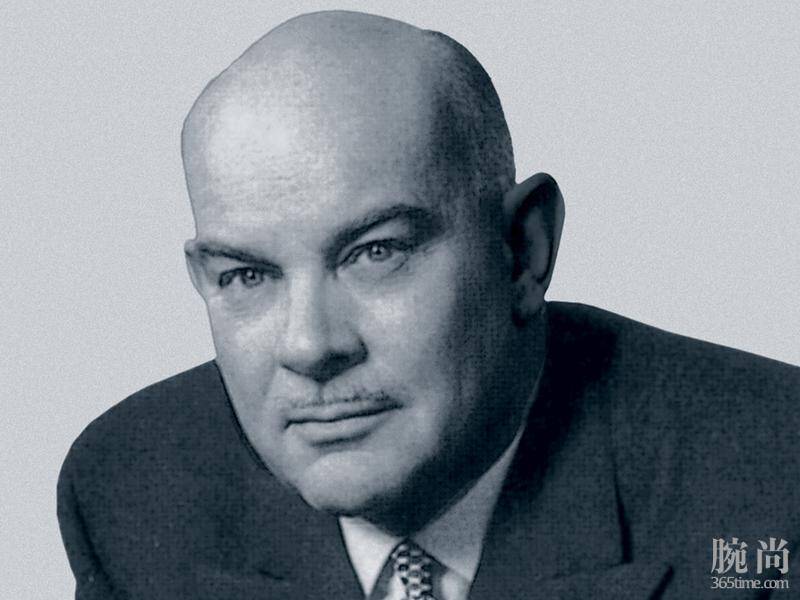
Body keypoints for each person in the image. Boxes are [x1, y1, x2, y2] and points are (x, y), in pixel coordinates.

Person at [57, 10, 800, 600]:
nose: (309, 346)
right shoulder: (131, 490)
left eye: (376, 253)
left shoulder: (775, 487)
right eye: (249, 276)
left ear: (522, 250)